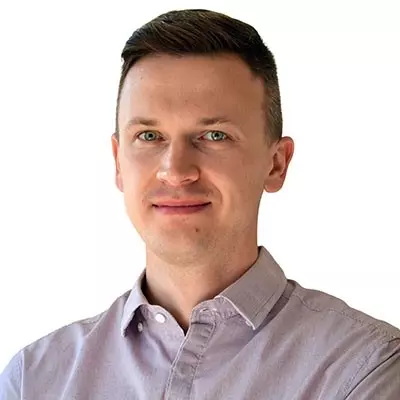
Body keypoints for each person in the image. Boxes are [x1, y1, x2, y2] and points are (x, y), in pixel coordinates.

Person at [1, 8, 399, 400]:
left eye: (214, 136)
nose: (175, 171)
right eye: (149, 136)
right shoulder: (32, 380)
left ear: (277, 164)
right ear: (118, 162)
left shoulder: (365, 368)